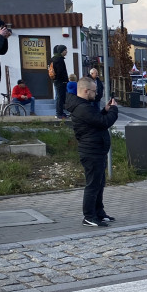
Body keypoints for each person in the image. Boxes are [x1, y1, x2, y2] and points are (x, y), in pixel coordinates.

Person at [67, 77, 119, 227]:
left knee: (99, 183)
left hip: (97, 150)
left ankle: (99, 212)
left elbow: (96, 120)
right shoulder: (82, 108)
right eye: (94, 91)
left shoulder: (85, 105)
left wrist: (106, 110)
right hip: (91, 151)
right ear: (85, 91)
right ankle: (89, 216)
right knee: (93, 185)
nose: (96, 94)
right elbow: (104, 122)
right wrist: (114, 110)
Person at [49, 44, 70, 119]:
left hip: (56, 81)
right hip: (60, 82)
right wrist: (65, 81)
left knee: (59, 97)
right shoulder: (59, 60)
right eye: (65, 50)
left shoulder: (53, 59)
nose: (66, 52)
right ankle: (59, 113)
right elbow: (61, 72)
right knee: (60, 98)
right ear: (61, 51)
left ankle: (60, 112)